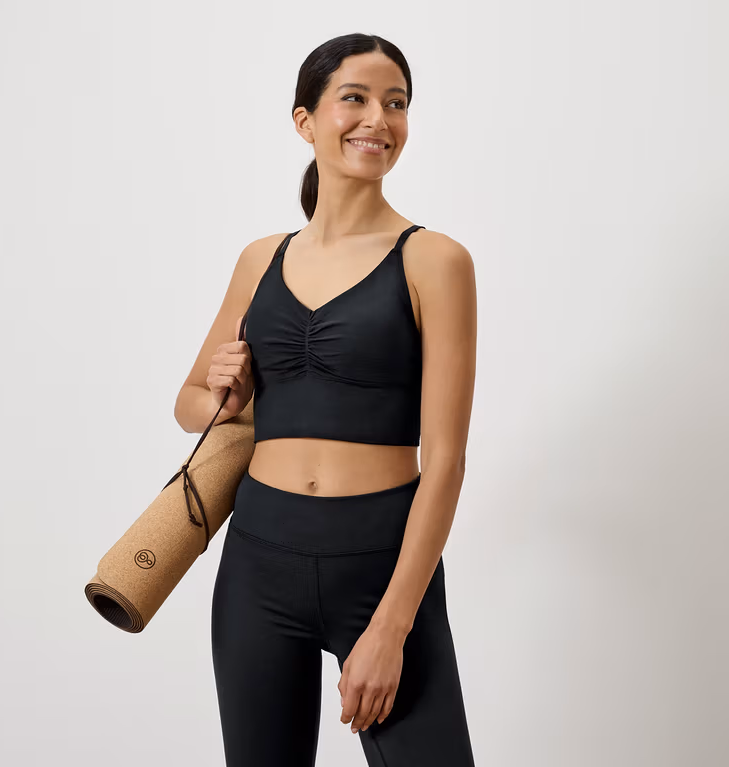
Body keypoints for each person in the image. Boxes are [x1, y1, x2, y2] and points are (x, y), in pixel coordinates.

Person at [174, 32, 477, 767]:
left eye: (396, 103)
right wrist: (225, 393)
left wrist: (391, 627)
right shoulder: (261, 258)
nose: (379, 118)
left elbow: (445, 462)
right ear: (305, 121)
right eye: (356, 98)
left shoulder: (434, 260)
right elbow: (190, 405)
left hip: (382, 564)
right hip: (257, 561)